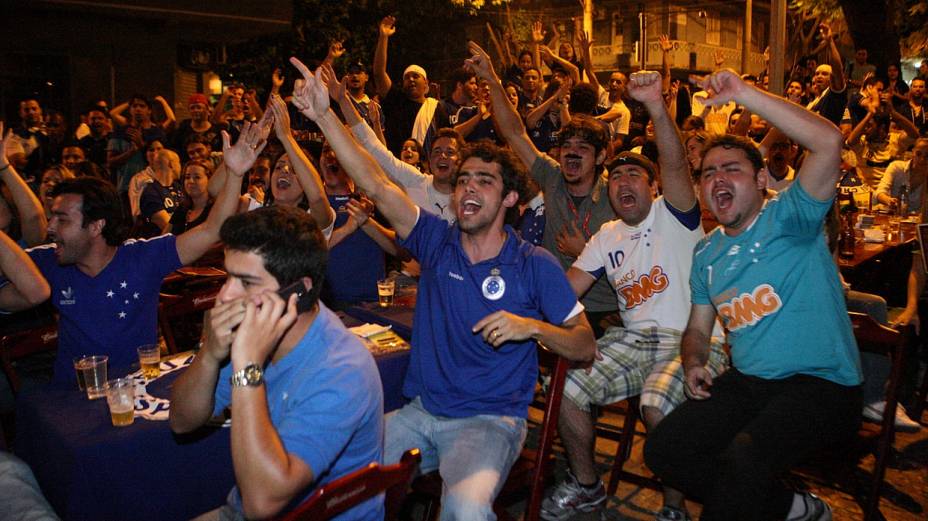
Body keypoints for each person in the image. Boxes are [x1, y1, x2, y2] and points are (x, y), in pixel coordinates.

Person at [290, 57, 596, 520]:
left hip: (489, 422)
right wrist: (322, 116)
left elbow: (584, 343)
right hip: (420, 413)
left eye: (485, 181)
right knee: (331, 482)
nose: (468, 188)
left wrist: (531, 327)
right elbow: (376, 181)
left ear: (510, 199)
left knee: (467, 510)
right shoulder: (438, 243)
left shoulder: (536, 265)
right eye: (464, 180)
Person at [644, 70, 862, 521]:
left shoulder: (792, 217)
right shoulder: (707, 253)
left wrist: (744, 94)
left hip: (822, 386)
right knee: (665, 451)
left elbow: (827, 141)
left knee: (742, 461)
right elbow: (698, 330)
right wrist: (693, 363)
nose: (718, 179)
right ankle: (792, 508)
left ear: (762, 178)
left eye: (732, 169)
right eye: (708, 173)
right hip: (749, 384)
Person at [540, 71, 728, 521]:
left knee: (654, 404)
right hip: (633, 339)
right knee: (561, 385)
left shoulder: (676, 213)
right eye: (617, 176)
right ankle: (587, 484)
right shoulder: (606, 235)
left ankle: (674, 507)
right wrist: (522, 315)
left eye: (635, 176)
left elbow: (678, 162)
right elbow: (568, 292)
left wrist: (657, 106)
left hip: (692, 340)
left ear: (654, 186)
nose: (625, 183)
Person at [170, 205, 383, 521]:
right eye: (228, 276)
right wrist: (210, 353)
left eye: (246, 282)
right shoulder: (252, 330)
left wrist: (247, 366)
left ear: (297, 291)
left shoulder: (342, 370)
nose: (225, 296)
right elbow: (181, 420)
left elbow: (261, 504)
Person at [23, 120, 270, 382]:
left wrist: (235, 173)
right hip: (70, 399)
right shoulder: (47, 261)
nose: (49, 227)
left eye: (62, 219)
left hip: (138, 391)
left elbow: (212, 229)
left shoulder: (142, 257)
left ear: (96, 226)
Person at [471, 41, 619, 337]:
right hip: (551, 304)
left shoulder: (616, 196)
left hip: (603, 312)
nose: (571, 153)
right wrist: (492, 80)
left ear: (601, 157)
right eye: (566, 146)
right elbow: (515, 132)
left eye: (583, 148)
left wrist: (589, 253)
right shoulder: (552, 177)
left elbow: (637, 265)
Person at [373, 15, 450, 156]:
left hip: (426, 170)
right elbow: (379, 73)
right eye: (407, 77)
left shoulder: (436, 109)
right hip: (396, 168)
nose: (411, 79)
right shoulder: (396, 100)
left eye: (416, 76)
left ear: (426, 82)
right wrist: (384, 37)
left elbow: (446, 138)